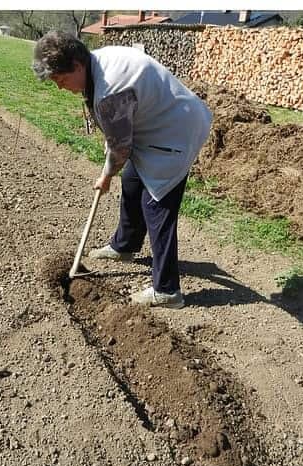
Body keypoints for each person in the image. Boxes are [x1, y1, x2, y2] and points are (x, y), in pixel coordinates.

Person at [31, 30, 212, 309]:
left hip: (177, 132)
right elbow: (118, 135)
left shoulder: (109, 92)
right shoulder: (97, 63)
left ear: (77, 66)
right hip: (158, 123)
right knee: (131, 181)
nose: (60, 87)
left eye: (61, 79)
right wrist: (112, 159)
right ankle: (124, 246)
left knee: (157, 206)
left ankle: (167, 291)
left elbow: (121, 150)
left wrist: (105, 174)